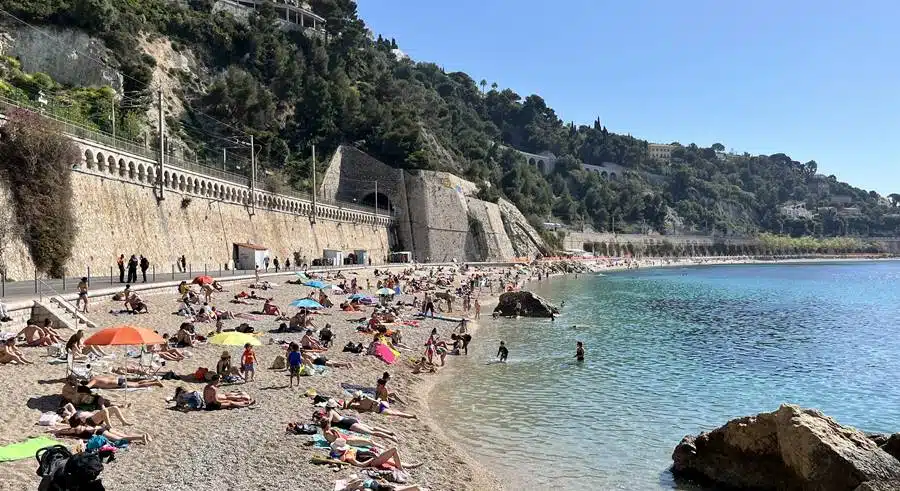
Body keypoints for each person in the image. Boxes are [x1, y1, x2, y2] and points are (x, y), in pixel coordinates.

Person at [320, 401, 397, 442]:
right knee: (372, 428)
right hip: (349, 420)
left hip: (349, 424)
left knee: (371, 432)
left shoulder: (330, 411)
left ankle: (390, 437)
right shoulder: (333, 410)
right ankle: (390, 432)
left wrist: (326, 427)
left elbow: (329, 420)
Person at [329, 439, 421, 471]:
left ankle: (409, 466)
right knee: (394, 450)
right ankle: (401, 469)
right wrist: (372, 458)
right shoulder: (348, 457)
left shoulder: (346, 452)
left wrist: (371, 453)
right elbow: (360, 465)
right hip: (371, 462)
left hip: (371, 457)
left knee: (392, 460)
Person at [344, 392, 416, 419]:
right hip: (382, 404)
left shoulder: (359, 406)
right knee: (395, 412)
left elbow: (347, 406)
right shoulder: (366, 398)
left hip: (379, 410)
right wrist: (378, 399)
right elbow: (376, 401)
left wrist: (351, 401)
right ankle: (411, 416)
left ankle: (411, 416)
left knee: (396, 413)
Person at [51, 425, 151, 445]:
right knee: (125, 435)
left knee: (120, 439)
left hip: (99, 432)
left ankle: (141, 437)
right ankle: (143, 435)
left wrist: (57, 432)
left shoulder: (74, 430)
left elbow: (65, 431)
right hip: (100, 427)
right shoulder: (76, 426)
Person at [59, 402, 131, 427]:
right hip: (90, 420)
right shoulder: (69, 418)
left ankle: (123, 422)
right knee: (104, 410)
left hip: (95, 416)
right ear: (63, 415)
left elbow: (69, 404)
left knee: (114, 407)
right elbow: (70, 424)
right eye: (64, 412)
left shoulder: (73, 412)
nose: (65, 411)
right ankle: (109, 426)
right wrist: (64, 415)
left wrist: (63, 408)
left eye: (65, 410)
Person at [83, 375, 163, 389]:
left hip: (117, 383)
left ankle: (155, 383)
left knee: (136, 385)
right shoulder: (95, 377)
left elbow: (86, 387)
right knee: (137, 383)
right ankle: (153, 381)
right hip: (117, 379)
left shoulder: (93, 380)